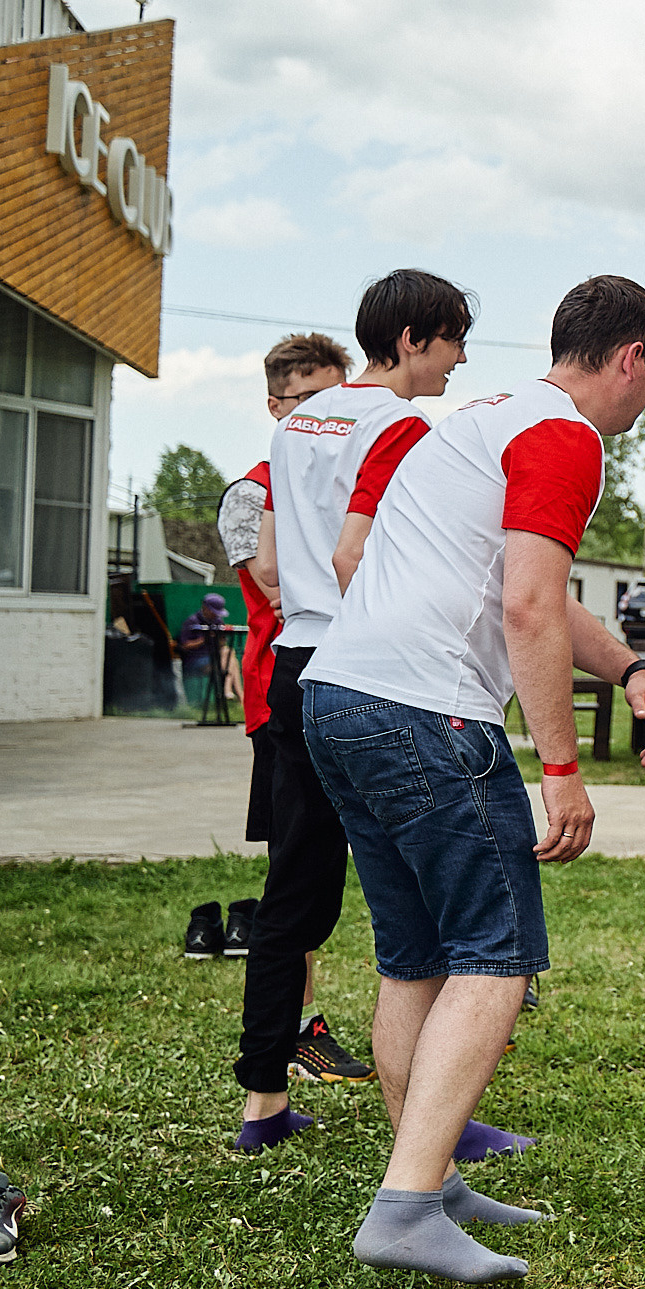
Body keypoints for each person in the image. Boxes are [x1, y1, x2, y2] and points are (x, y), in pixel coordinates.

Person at [303, 275, 645, 1283]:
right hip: (428, 714)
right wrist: (561, 770)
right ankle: (408, 1202)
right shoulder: (565, 437)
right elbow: (527, 607)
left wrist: (631, 667)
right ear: (633, 355)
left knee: (413, 956)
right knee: (495, 953)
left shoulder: (472, 415)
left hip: (339, 694)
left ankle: (423, 1176)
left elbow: (458, 573)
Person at [237, 271, 471, 1152]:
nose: (458, 358)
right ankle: (431, 1118)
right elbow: (356, 554)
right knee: (428, 898)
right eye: (451, 338)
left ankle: (263, 1105)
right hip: (364, 668)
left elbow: (266, 558)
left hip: (294, 662)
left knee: (292, 897)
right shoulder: (404, 426)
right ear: (411, 339)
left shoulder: (296, 420)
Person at [216, 334, 354, 996]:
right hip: (283, 690)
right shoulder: (254, 489)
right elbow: (277, 582)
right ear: (275, 406)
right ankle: (292, 1030)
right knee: (292, 873)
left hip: (348, 684)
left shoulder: (352, 474)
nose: (330, 414)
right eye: (310, 400)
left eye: (339, 396)